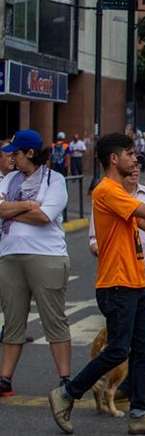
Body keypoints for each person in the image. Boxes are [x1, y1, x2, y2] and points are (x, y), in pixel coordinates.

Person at [48, 133, 145, 435]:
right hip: (117, 284)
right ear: (113, 159)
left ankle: (140, 415)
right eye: (130, 154)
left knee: (143, 349)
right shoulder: (106, 190)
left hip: (137, 281)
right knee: (119, 349)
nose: (135, 159)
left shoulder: (120, 192)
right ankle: (66, 393)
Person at [88, 166, 145, 404]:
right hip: (120, 280)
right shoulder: (109, 194)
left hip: (143, 275)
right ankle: (72, 390)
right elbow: (95, 240)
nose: (136, 167)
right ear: (115, 163)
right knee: (120, 346)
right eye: (131, 160)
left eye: (139, 163)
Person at [0, 130, 70, 398]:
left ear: (30, 153)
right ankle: (5, 379)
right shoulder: (8, 179)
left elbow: (45, 216)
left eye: (16, 153)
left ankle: (65, 378)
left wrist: (12, 210)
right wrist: (28, 204)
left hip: (47, 255)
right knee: (13, 321)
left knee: (54, 320)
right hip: (9, 256)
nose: (12, 158)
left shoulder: (55, 179)